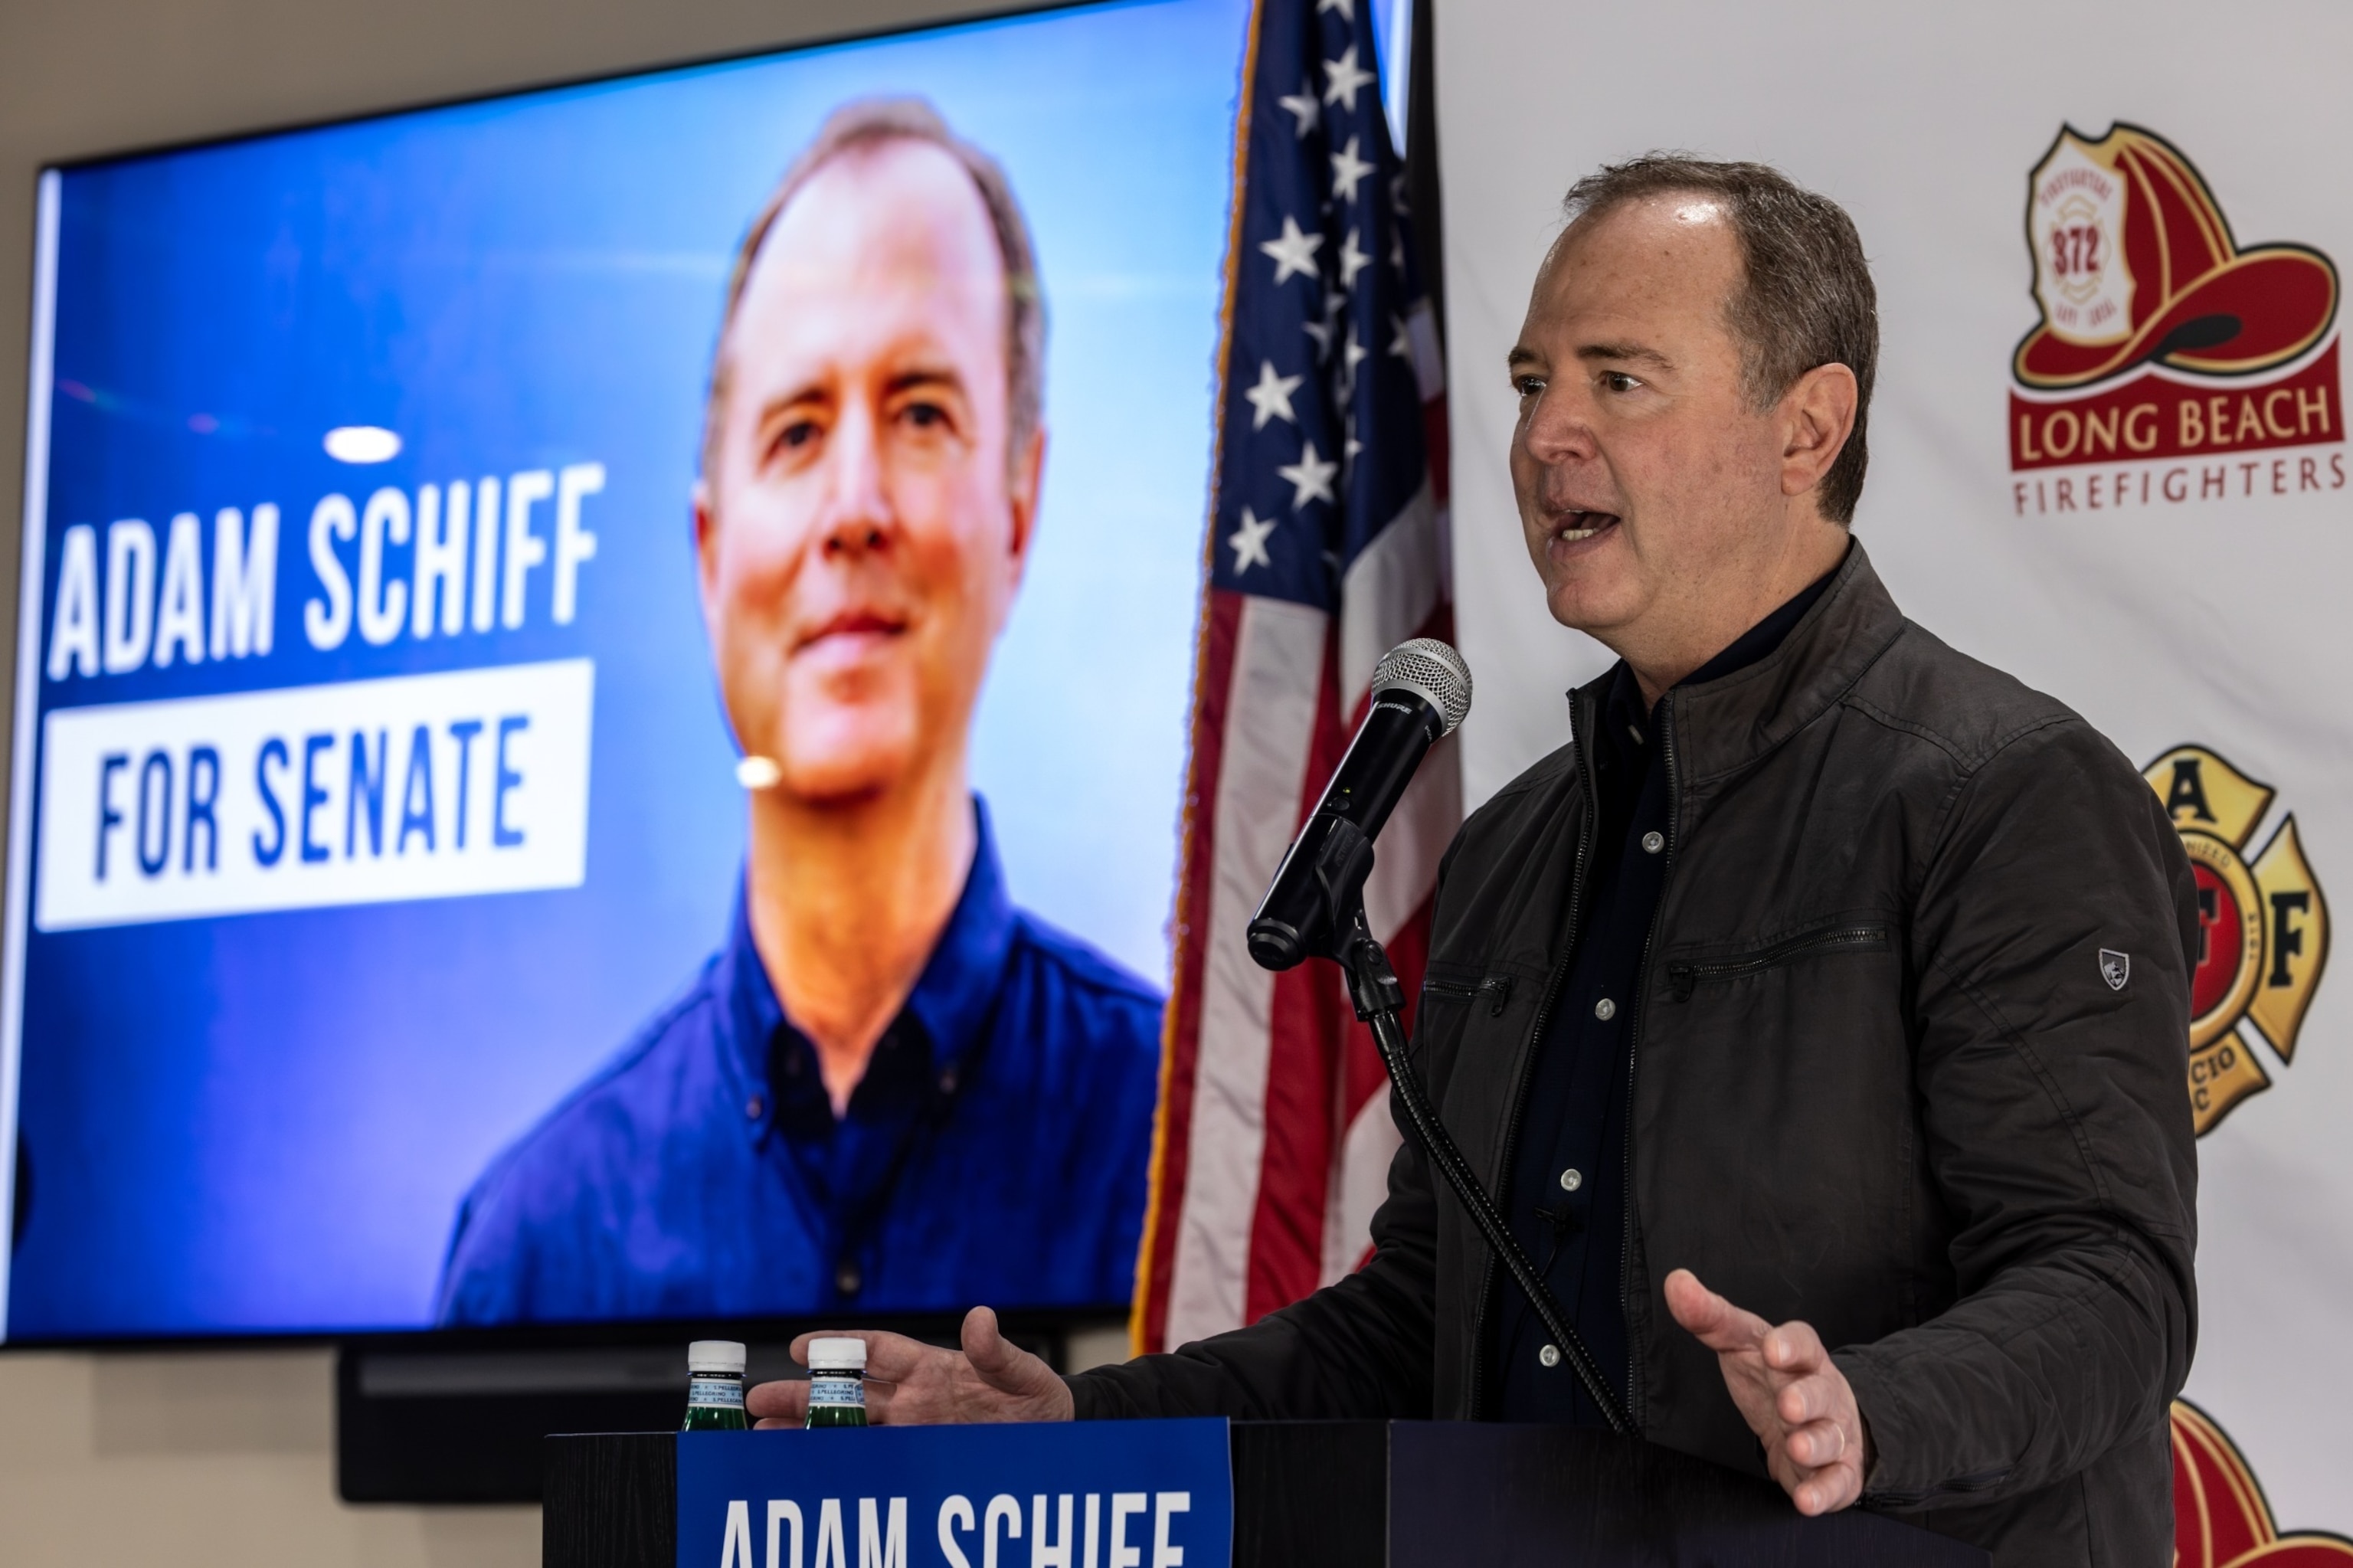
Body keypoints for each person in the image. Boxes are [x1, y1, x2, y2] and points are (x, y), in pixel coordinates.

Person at [745, 156, 2199, 1568]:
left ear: (1805, 430)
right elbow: (1424, 1319)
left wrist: (1867, 1413)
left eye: (1617, 380)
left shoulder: (2005, 795)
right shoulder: (1512, 847)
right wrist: (1084, 1421)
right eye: (1528, 384)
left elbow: (2110, 1285)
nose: (1545, 435)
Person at [435, 100, 1163, 1325]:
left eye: (923, 411)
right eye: (797, 431)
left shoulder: (1192, 1166)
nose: (854, 507)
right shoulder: (537, 1242)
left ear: (1020, 507)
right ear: (711, 551)